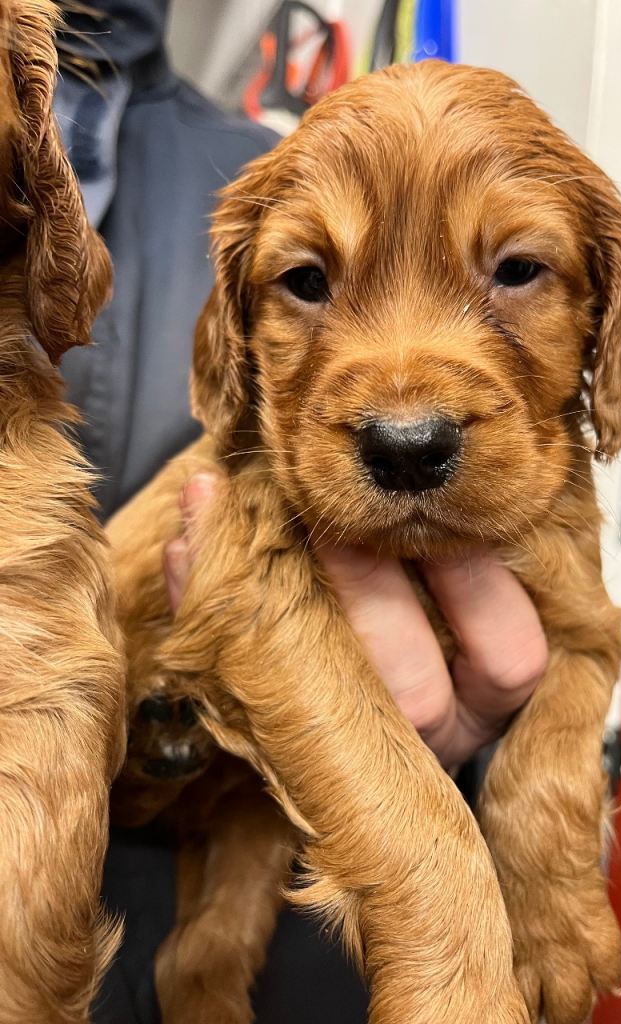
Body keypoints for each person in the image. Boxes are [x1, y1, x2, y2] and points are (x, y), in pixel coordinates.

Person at [56, 3, 546, 1021]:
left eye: (513, 272)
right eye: (311, 281)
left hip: (278, 925)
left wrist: (473, 741)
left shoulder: (272, 166)